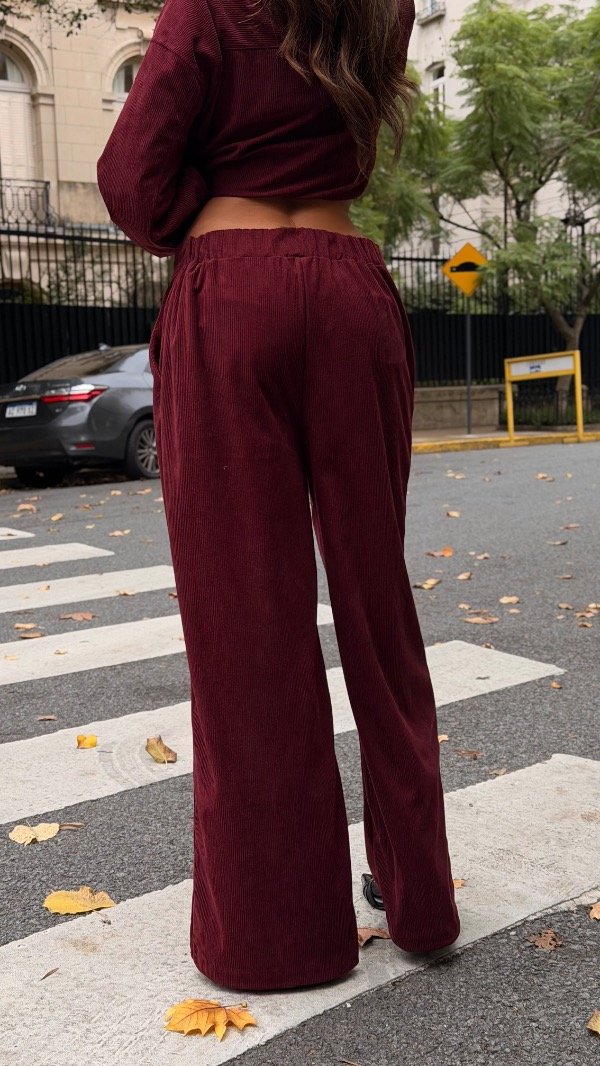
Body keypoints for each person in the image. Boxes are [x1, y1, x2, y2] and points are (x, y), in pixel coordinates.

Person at [96, 0, 460, 993]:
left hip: (232, 291)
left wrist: (208, 208)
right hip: (350, 291)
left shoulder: (206, 6)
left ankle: (279, 936)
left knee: (245, 619)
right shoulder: (382, 9)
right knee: (379, 607)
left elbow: (131, 181)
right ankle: (421, 898)